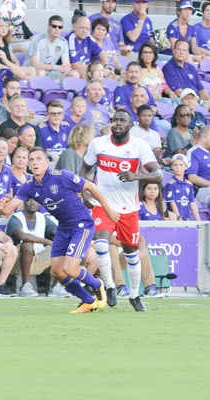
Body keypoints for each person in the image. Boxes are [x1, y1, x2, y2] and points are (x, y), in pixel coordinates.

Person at [0, 147, 116, 313]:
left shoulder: (62, 176)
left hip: (81, 224)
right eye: (31, 160)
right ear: (28, 165)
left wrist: (108, 210)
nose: (35, 162)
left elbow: (91, 187)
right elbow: (8, 209)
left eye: (39, 159)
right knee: (57, 272)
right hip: (63, 227)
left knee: (71, 269)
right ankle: (88, 300)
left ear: (47, 162)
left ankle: (97, 285)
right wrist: (3, 205)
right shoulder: (29, 187)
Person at [79, 109, 163, 312]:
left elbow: (158, 175)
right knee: (100, 243)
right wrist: (85, 192)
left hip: (129, 209)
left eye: (122, 120)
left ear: (130, 125)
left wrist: (136, 177)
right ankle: (109, 286)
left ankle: (134, 295)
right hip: (103, 204)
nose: (117, 123)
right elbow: (83, 169)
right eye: (115, 120)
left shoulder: (139, 146)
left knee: (132, 254)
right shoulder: (98, 144)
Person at [5, 198, 56, 298]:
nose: (32, 202)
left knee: (62, 246)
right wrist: (48, 242)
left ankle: (56, 287)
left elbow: (59, 233)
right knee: (27, 244)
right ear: (23, 202)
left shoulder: (42, 218)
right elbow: (23, 236)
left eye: (36, 200)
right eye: (29, 200)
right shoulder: (15, 218)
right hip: (18, 263)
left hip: (39, 260)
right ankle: (25, 286)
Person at [163, 40, 210, 110]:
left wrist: (207, 101)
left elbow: (201, 89)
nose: (181, 52)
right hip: (187, 103)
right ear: (173, 51)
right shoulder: (169, 68)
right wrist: (199, 101)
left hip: (197, 100)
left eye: (184, 50)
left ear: (187, 53)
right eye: (179, 49)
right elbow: (179, 92)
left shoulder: (191, 67)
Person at [25, 15, 76, 82]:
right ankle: (41, 92)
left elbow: (66, 64)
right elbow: (36, 65)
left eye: (60, 27)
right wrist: (56, 67)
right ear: (49, 26)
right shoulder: (37, 40)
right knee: (41, 72)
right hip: (32, 71)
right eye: (54, 26)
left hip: (51, 71)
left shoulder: (63, 42)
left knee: (74, 74)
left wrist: (67, 69)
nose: (57, 29)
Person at [0, 17, 33, 81]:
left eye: (6, 26)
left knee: (33, 70)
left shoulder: (6, 43)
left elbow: (15, 60)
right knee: (28, 73)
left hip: (10, 69)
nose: (4, 29)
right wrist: (9, 68)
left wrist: (16, 68)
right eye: (2, 26)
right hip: (1, 71)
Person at [165, 154, 200, 221]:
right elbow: (172, 203)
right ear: (172, 167)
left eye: (181, 165)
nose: (178, 167)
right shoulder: (171, 184)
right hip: (176, 219)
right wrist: (179, 218)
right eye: (175, 165)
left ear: (186, 167)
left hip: (186, 218)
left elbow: (192, 202)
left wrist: (198, 220)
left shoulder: (189, 184)